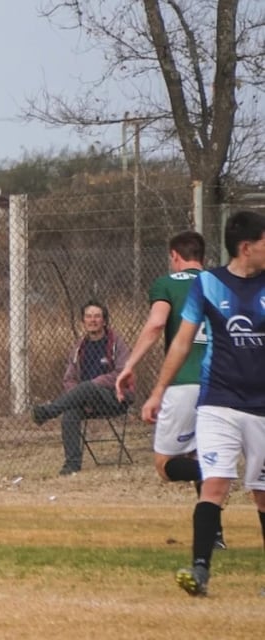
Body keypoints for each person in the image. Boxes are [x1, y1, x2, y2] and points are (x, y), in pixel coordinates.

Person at [140, 210, 265, 597]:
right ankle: (199, 570)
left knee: (262, 491)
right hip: (218, 402)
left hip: (262, 407)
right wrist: (159, 390)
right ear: (246, 247)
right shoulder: (208, 284)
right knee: (215, 482)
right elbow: (181, 341)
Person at [115, 231, 225, 550]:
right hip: (221, 383)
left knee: (166, 465)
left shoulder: (168, 282)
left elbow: (156, 324)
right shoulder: (221, 283)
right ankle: (214, 535)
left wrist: (129, 365)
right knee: (198, 451)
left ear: (175, 255)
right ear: (202, 256)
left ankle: (219, 471)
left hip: (185, 382)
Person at [31, 301, 132, 476]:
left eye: (97, 316)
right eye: (88, 316)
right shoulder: (79, 348)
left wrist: (95, 384)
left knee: (87, 386)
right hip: (86, 399)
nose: (93, 320)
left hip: (114, 398)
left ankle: (48, 411)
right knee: (70, 414)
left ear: (104, 321)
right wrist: (78, 396)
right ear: (83, 321)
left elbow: (123, 372)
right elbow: (69, 379)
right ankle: (72, 464)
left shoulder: (116, 343)